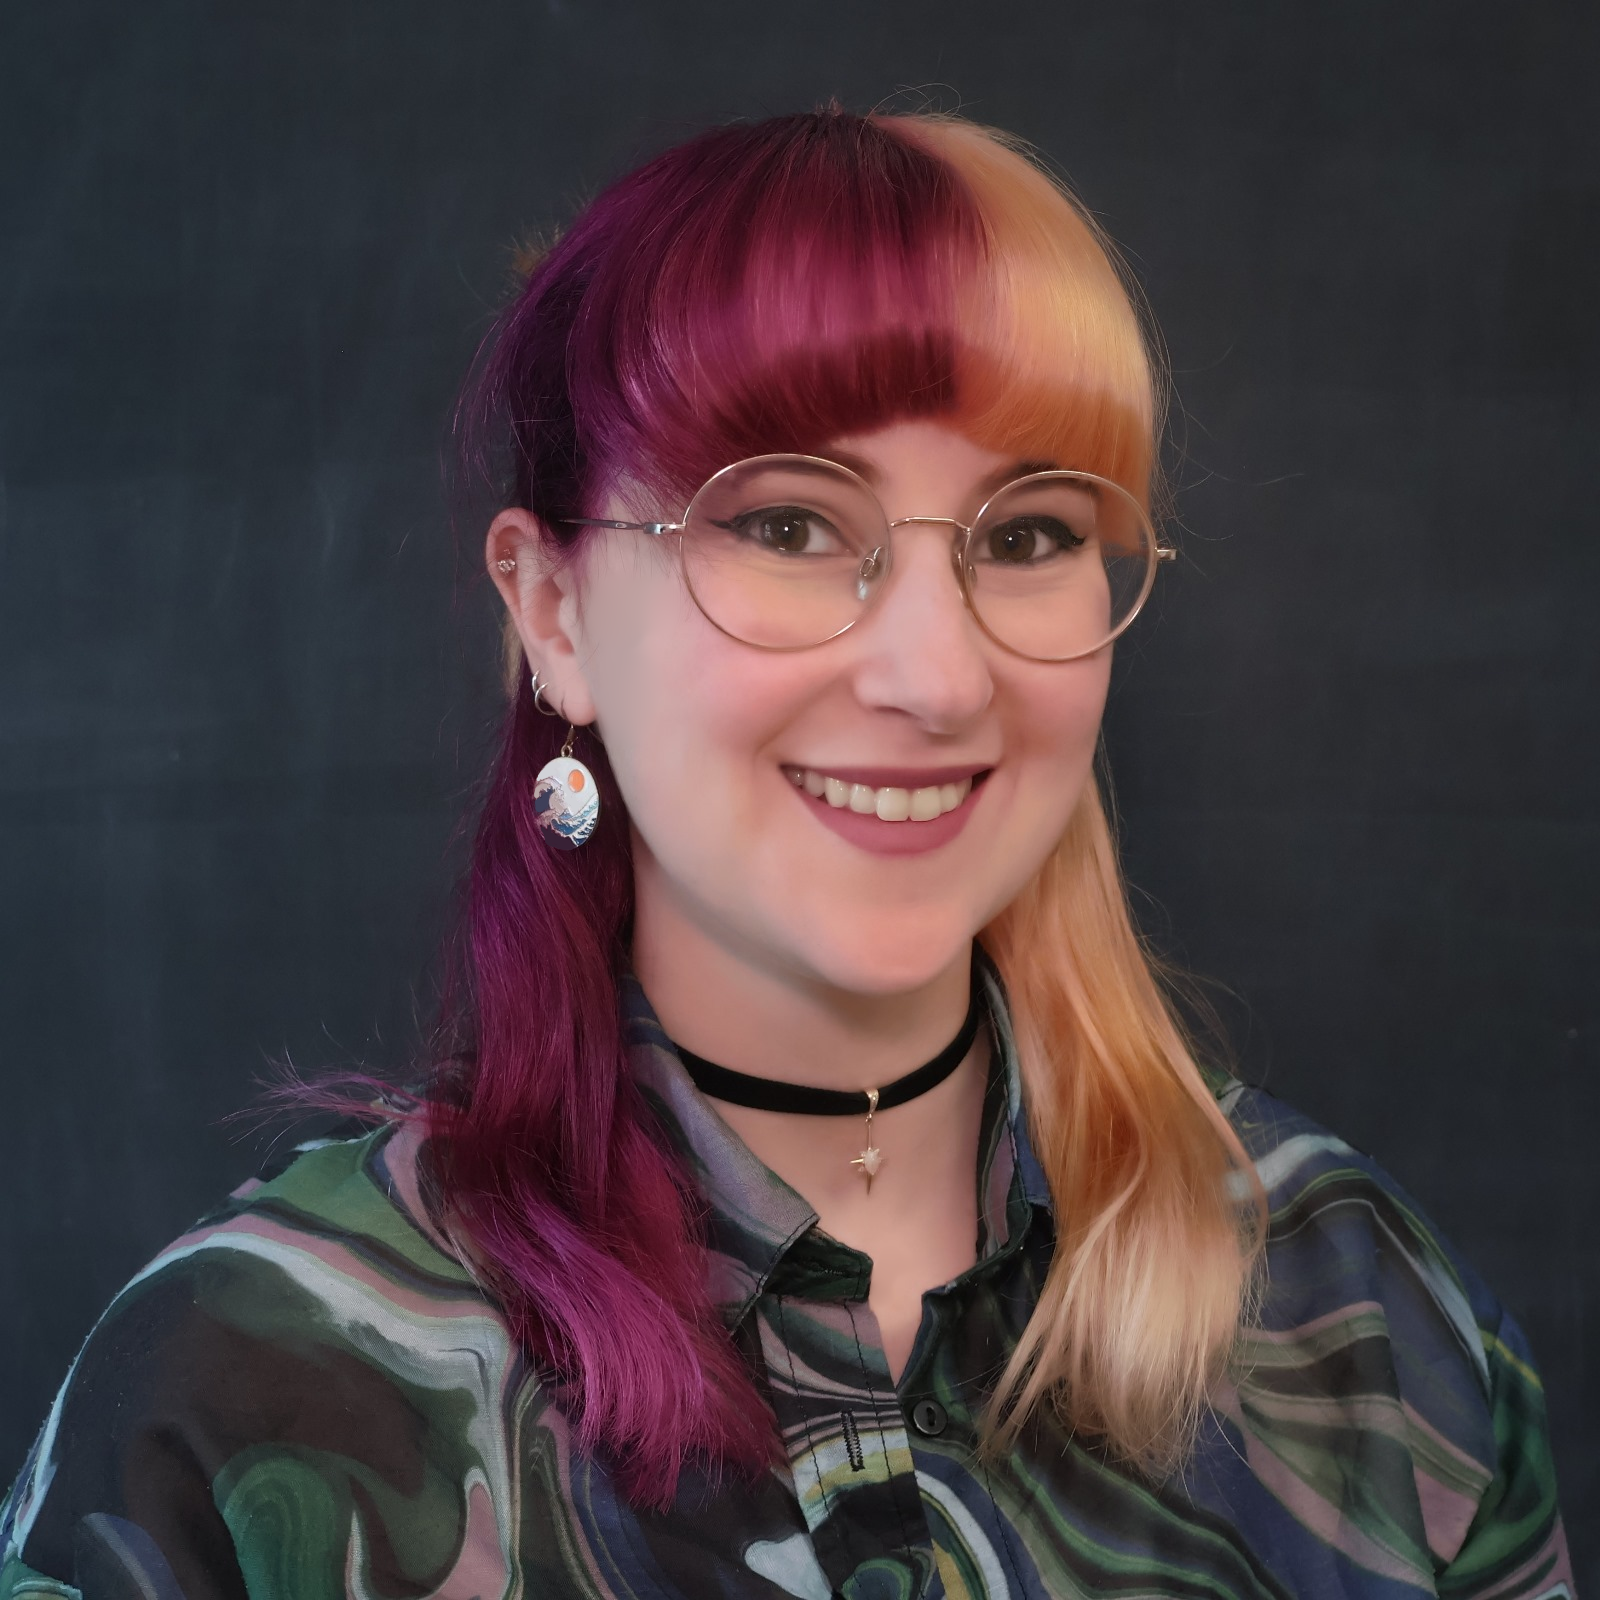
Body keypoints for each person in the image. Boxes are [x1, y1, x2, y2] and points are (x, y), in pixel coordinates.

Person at [0, 109, 1572, 1600]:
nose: (939, 677)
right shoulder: (251, 1388)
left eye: (1028, 535)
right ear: (553, 616)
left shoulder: (1347, 1308)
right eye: (790, 526)